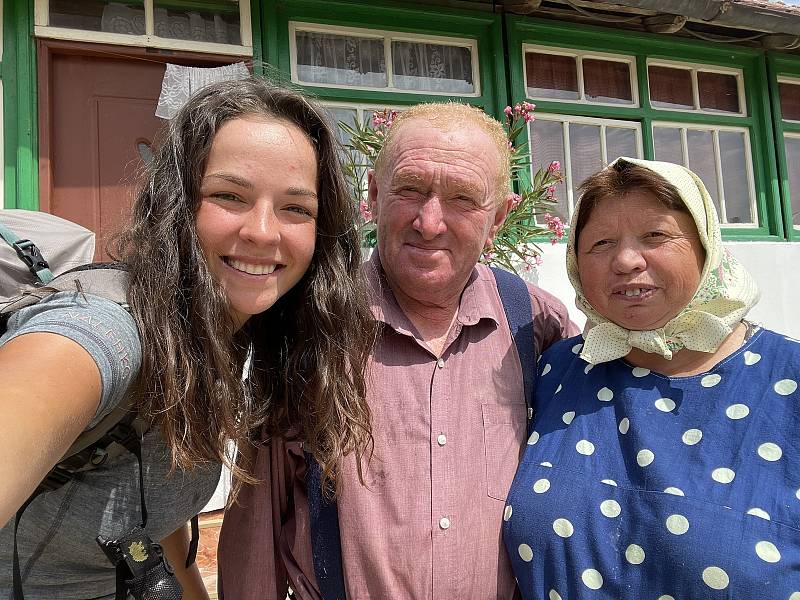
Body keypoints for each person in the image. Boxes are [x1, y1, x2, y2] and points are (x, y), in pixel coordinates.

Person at [0, 78, 374, 599]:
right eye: (228, 196)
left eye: (296, 208)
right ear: (177, 206)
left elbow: (150, 510)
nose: (264, 232)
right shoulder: (103, 332)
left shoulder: (227, 333)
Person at [218, 102, 578, 599]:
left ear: (497, 218)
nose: (430, 223)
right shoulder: (308, 326)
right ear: (373, 194)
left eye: (463, 199)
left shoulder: (538, 326)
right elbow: (256, 531)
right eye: (409, 190)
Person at [503, 157, 800, 598]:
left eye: (656, 236)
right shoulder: (558, 371)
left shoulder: (788, 383)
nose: (625, 261)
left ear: (706, 244)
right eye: (600, 242)